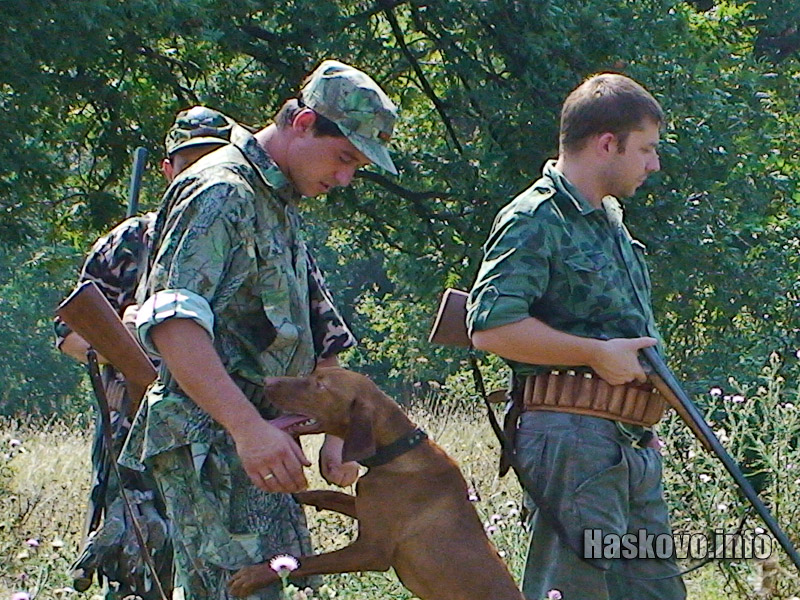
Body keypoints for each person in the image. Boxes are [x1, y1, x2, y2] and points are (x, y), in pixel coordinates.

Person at [119, 59, 398, 600]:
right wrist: (248, 429)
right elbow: (174, 321)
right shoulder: (220, 190)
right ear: (302, 123)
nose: (345, 178)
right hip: (216, 446)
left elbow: (304, 336)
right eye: (343, 157)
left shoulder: (275, 202)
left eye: (358, 167)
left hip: (260, 445)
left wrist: (329, 429)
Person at [466, 73, 686, 600]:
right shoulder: (535, 218)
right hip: (571, 439)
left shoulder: (607, 218)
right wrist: (594, 355)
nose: (654, 164)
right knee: (574, 590)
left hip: (624, 439)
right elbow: (491, 326)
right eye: (647, 149)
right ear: (607, 143)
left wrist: (635, 415)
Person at [54, 106, 235, 600]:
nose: (200, 173)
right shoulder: (129, 242)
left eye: (213, 160)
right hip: (131, 434)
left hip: (224, 431)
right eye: (190, 161)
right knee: (134, 566)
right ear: (168, 169)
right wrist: (129, 345)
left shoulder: (249, 232)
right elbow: (70, 335)